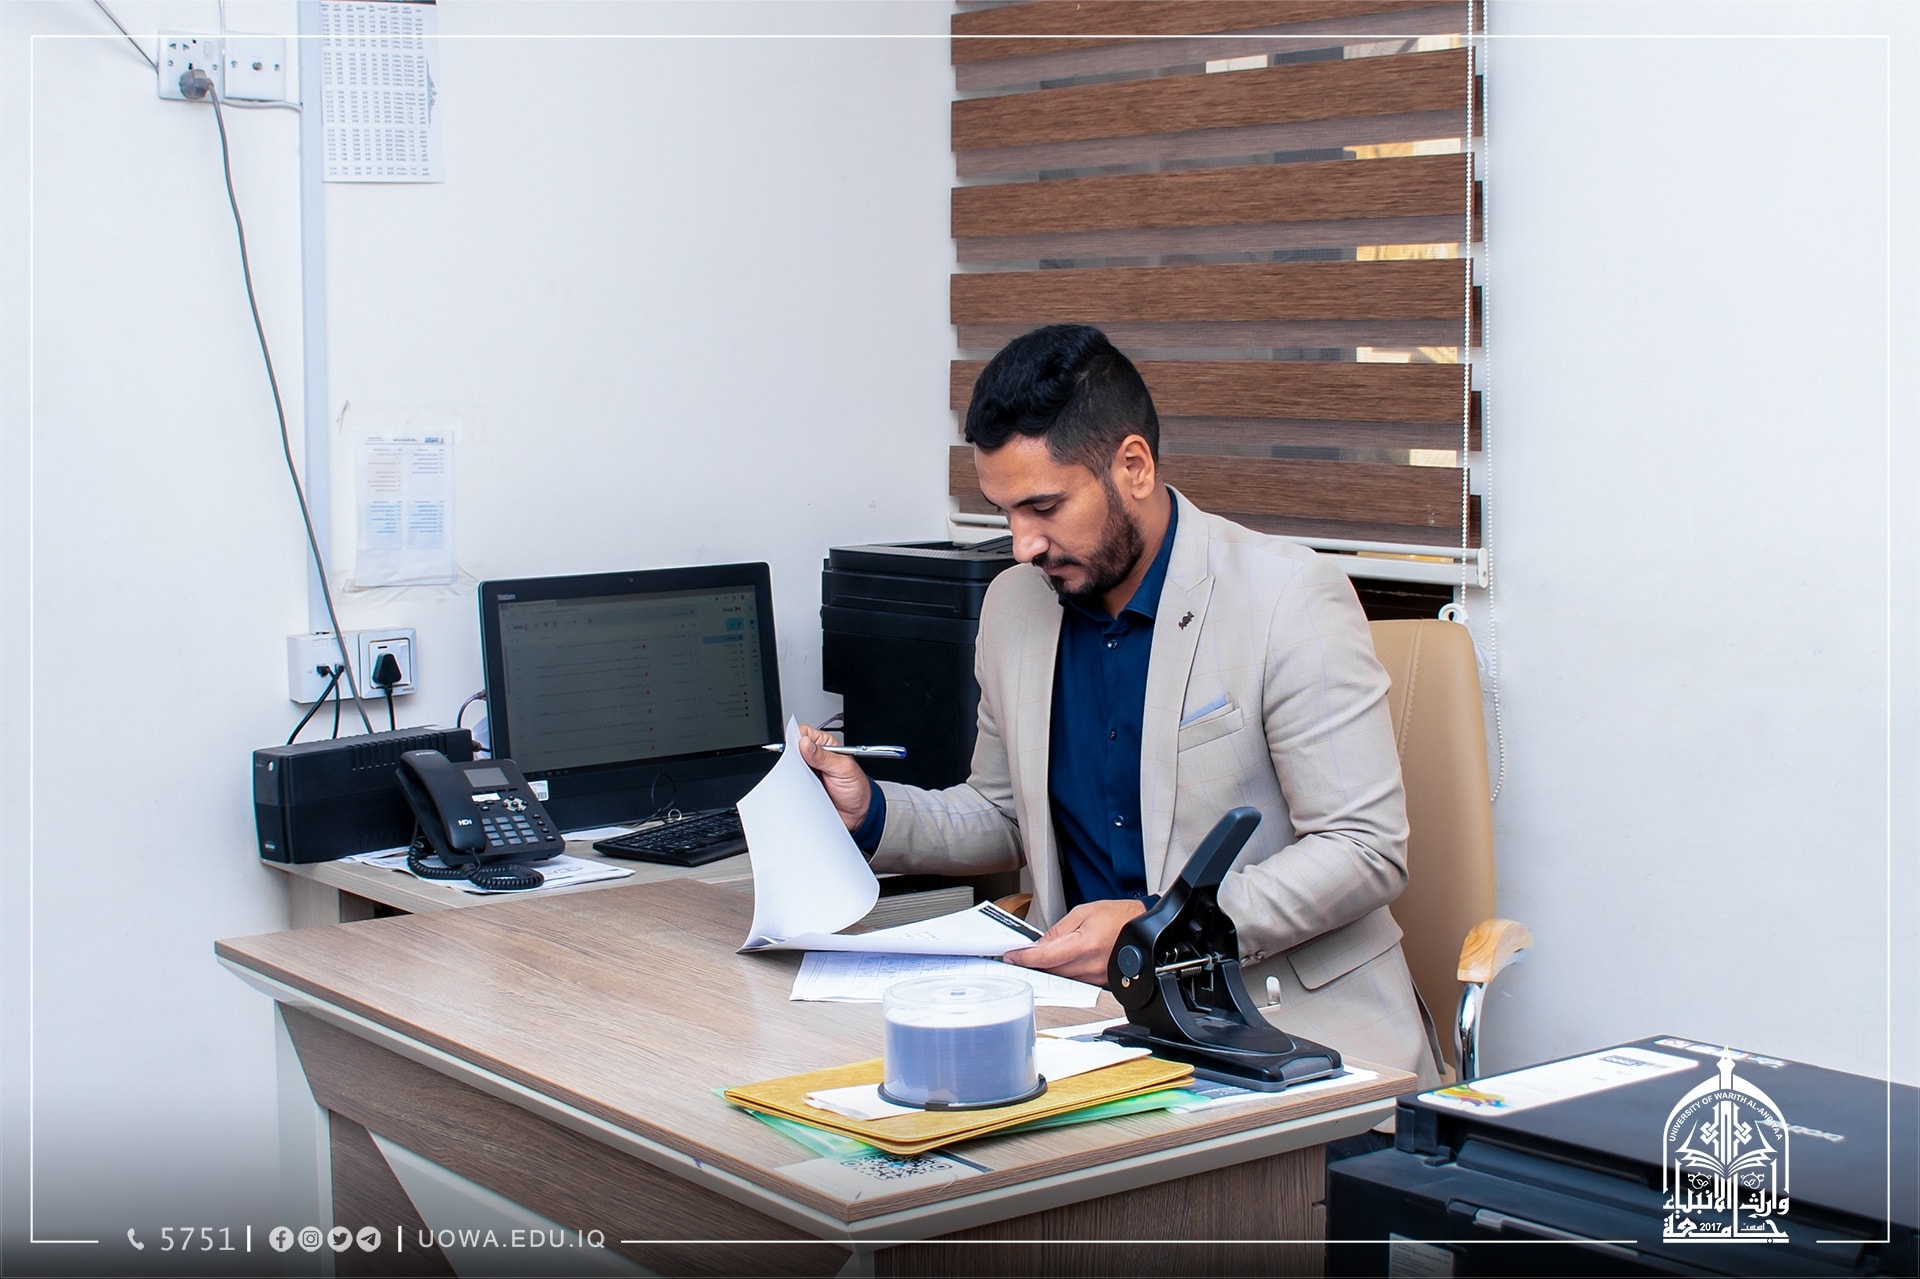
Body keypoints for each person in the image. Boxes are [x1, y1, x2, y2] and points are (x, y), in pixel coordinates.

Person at [798, 324, 1442, 1087]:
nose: (1022, 544)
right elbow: (1004, 813)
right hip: (1091, 1031)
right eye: (1005, 512)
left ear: (1133, 466)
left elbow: (1364, 847)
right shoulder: (1012, 608)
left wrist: (1156, 930)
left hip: (1287, 1027)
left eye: (1043, 506)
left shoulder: (1285, 596)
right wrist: (872, 811)